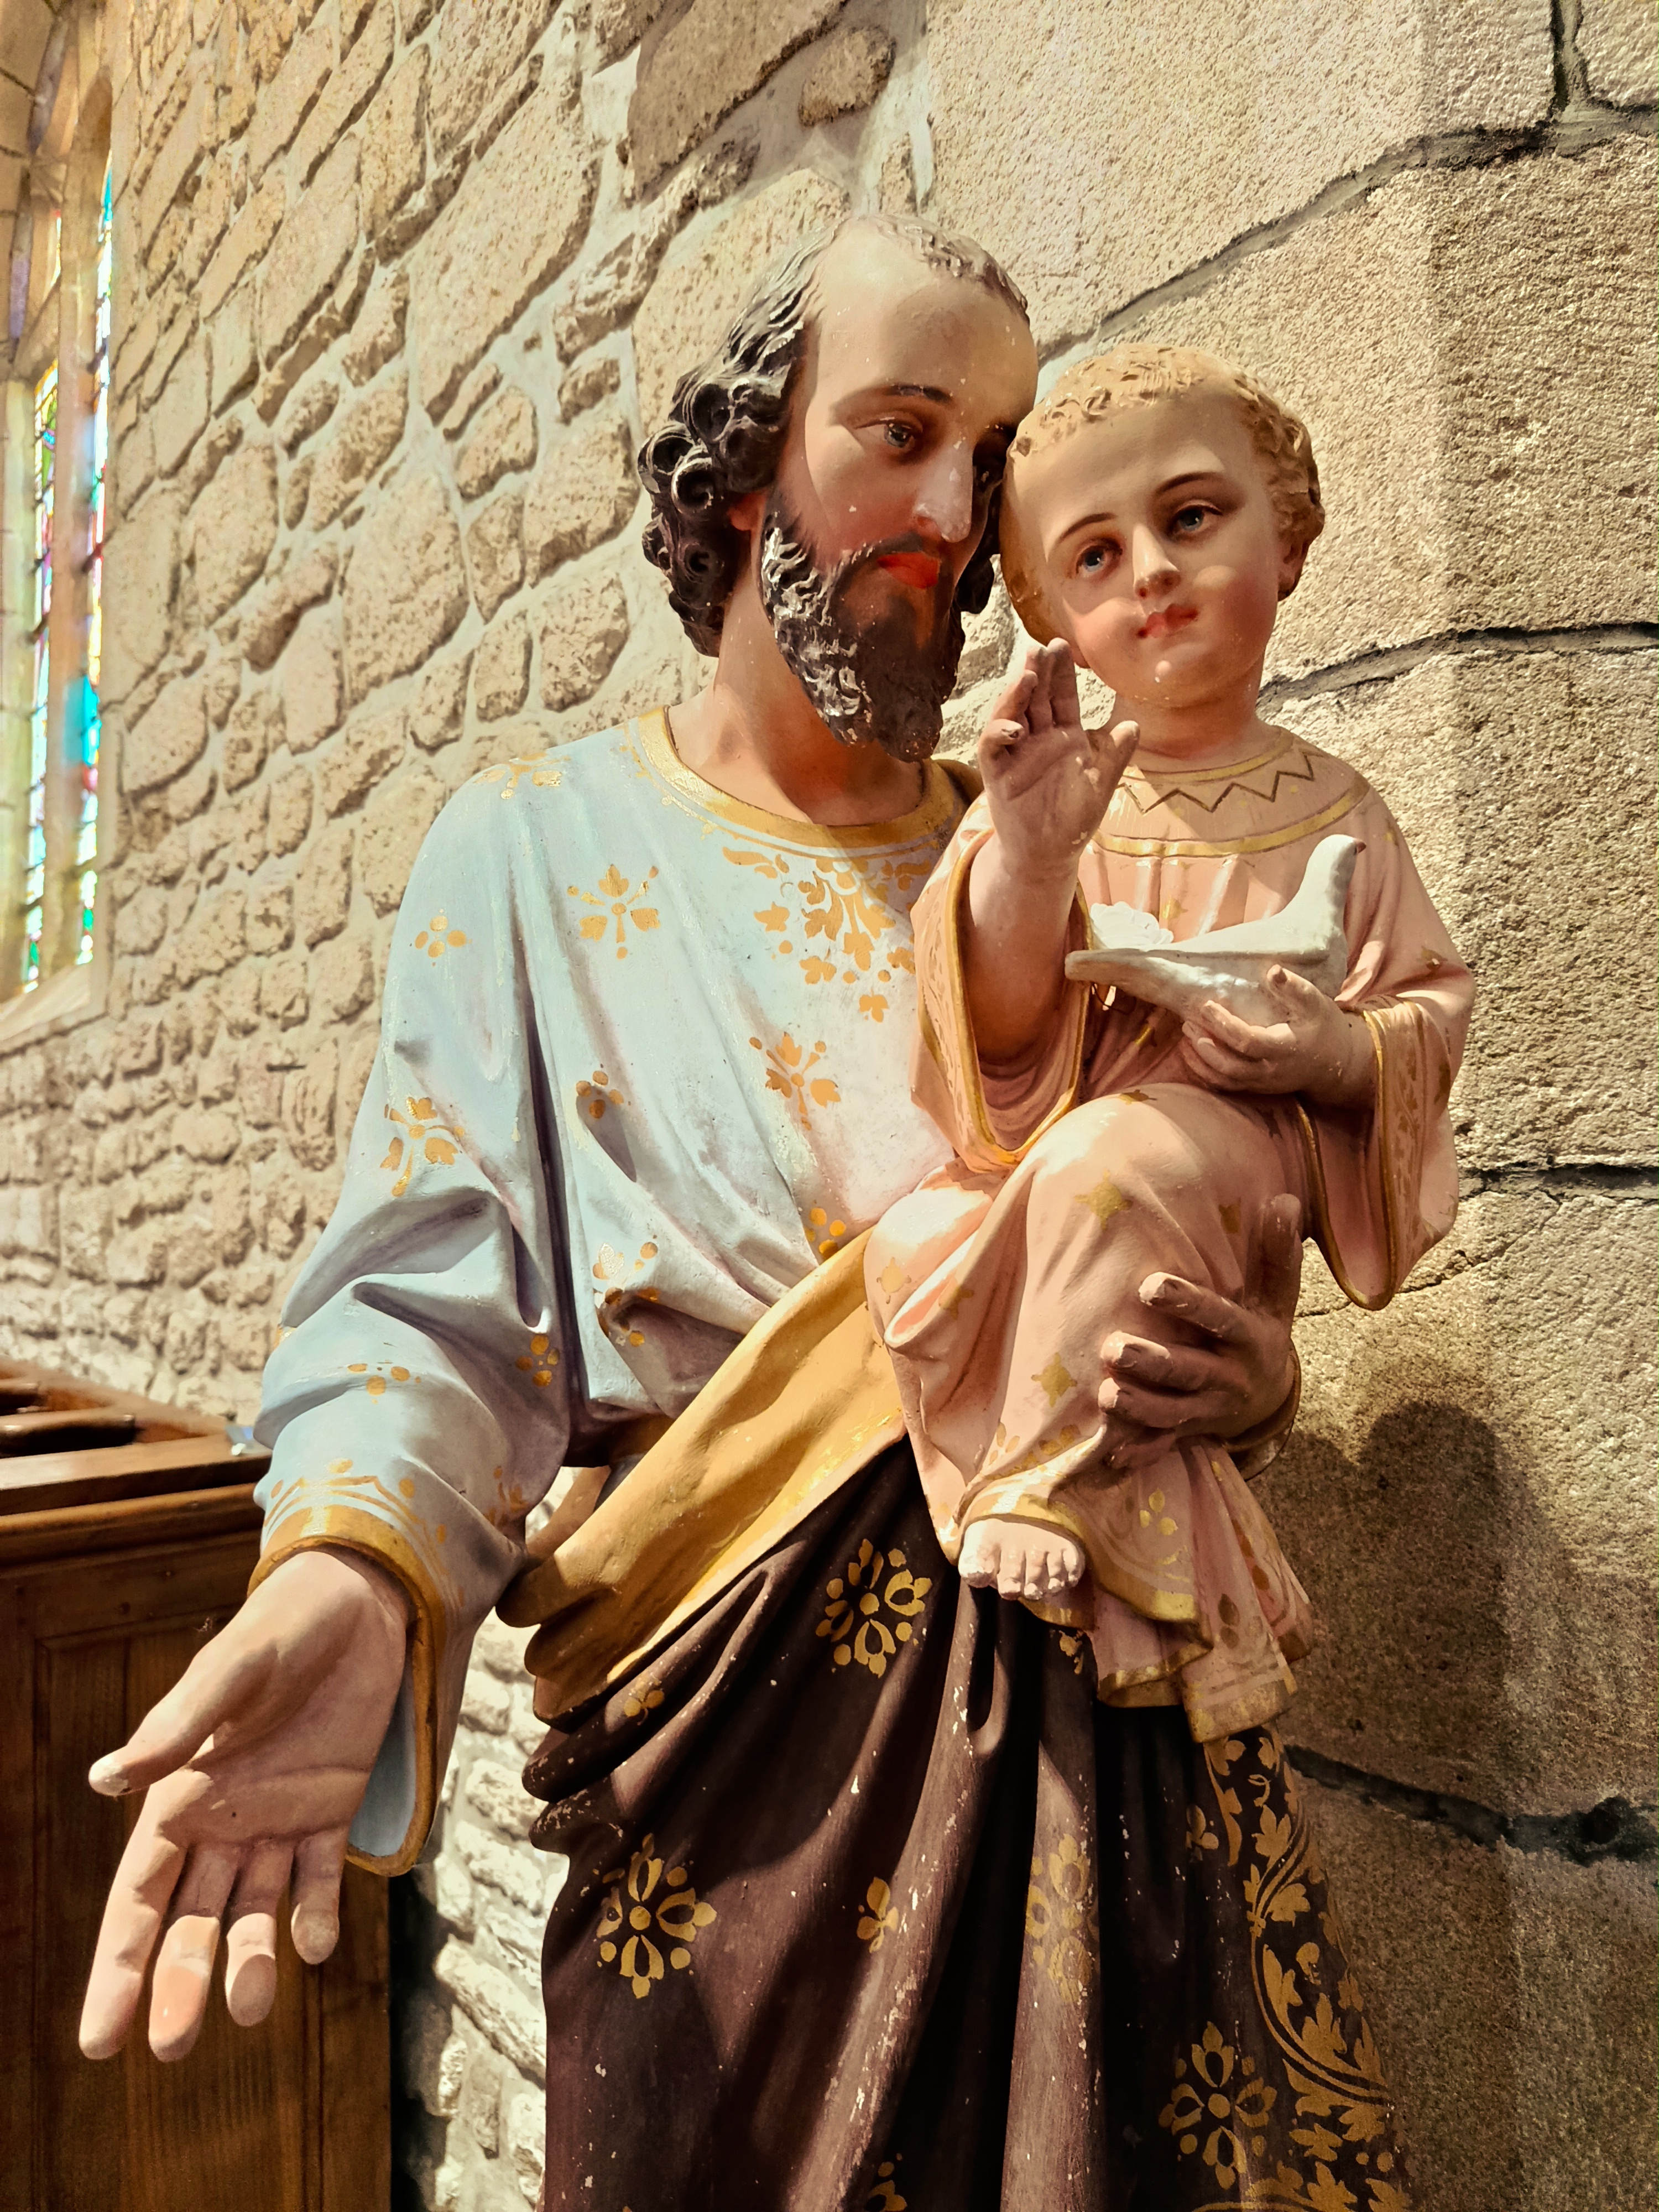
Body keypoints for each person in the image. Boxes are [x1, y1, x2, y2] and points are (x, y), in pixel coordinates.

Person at [79, 225, 1327, 2209]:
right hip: (737, 1801)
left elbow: (1188, 1222)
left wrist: (1247, 1374)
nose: (953, 513)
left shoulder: (1058, 854)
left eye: (992, 459)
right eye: (899, 431)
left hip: (1101, 1748)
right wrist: (348, 1573)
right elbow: (434, 1305)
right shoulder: (540, 848)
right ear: (745, 474)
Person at [868, 346, 1473, 1767]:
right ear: (1053, 616)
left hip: (1224, 1167)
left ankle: (1043, 1470)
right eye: (1095, 553)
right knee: (936, 1225)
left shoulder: (1335, 806)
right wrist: (1031, 860)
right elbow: (984, 1047)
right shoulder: (1053, 790)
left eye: (1192, 517)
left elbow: (1424, 1011)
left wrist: (1333, 1053)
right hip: (1064, 1182)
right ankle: (1103, 1513)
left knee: (1114, 1152)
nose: (1151, 570)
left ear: (1288, 538)